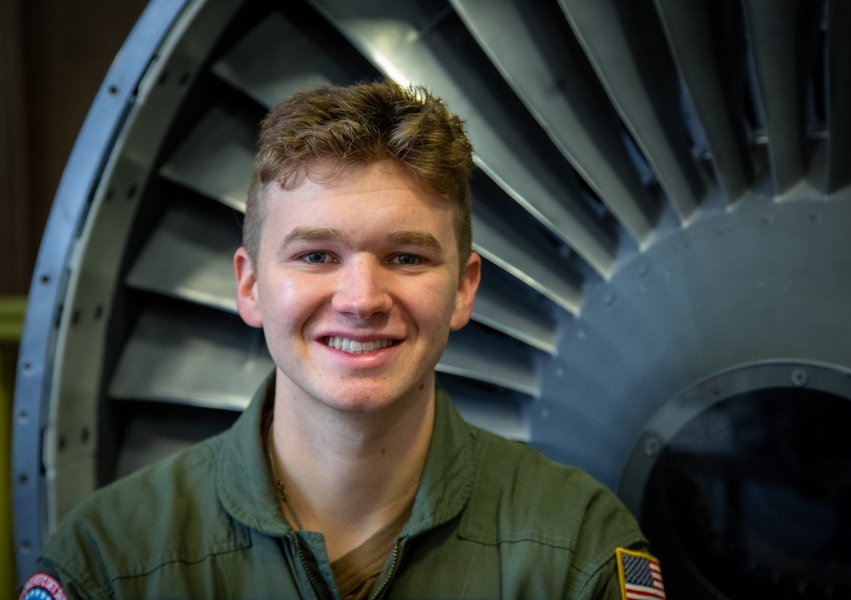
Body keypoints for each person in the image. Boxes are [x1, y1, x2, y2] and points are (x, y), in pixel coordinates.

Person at [22, 80, 660, 599]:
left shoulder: (580, 552)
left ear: (464, 290)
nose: (361, 300)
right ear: (249, 287)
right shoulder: (107, 562)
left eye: (407, 258)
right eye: (316, 256)